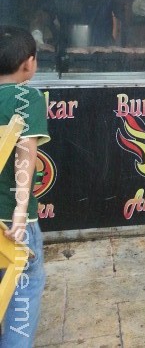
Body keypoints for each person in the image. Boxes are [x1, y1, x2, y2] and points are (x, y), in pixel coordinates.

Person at [0, 26, 50, 346]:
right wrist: (20, 213)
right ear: (29, 63)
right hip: (10, 223)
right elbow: (24, 155)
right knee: (24, 289)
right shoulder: (26, 96)